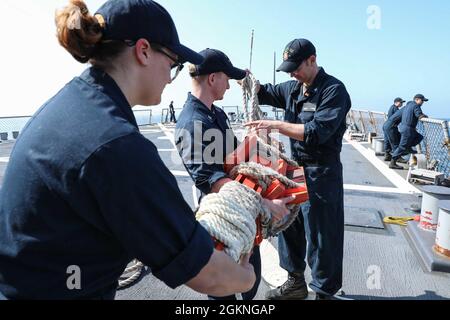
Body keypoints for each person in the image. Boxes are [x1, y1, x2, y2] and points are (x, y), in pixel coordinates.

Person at [0, 0, 255, 300]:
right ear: (143, 51)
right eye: (172, 64)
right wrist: (248, 275)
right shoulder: (116, 145)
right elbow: (208, 275)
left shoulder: (67, 106)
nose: (169, 77)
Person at [175, 48, 294, 300]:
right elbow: (212, 180)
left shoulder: (215, 114)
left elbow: (233, 157)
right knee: (224, 292)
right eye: (227, 78)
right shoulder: (191, 123)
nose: (229, 85)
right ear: (212, 78)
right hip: (223, 222)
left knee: (249, 285)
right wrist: (266, 204)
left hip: (245, 216)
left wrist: (265, 148)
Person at [245, 38, 351, 300]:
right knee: (288, 225)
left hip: (322, 173)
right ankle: (295, 282)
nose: (291, 73)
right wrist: (247, 81)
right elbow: (266, 91)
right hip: (295, 171)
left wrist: (277, 126)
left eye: (295, 67)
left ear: (312, 60)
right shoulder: (293, 88)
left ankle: (324, 292)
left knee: (322, 236)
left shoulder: (333, 90)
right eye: (288, 69)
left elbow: (317, 132)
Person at [390, 94, 429, 167]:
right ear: (417, 99)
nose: (423, 102)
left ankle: (408, 148)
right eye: (422, 100)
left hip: (404, 127)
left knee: (419, 137)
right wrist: (424, 116)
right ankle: (393, 162)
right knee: (402, 146)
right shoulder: (416, 106)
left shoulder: (408, 105)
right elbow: (419, 115)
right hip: (408, 129)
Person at [383, 97, 405, 161]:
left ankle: (387, 155)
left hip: (386, 126)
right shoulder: (395, 108)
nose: (402, 104)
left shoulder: (392, 107)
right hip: (391, 127)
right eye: (401, 102)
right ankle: (397, 157)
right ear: (396, 103)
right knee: (395, 142)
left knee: (387, 141)